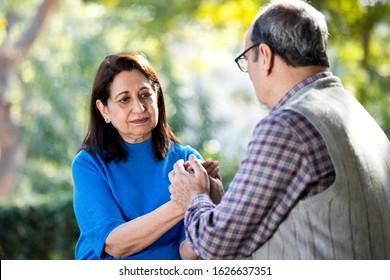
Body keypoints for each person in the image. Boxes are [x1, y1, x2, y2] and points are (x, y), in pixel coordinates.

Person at [169, 0, 390, 259]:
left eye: (246, 60)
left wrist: (194, 195)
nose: (249, 73)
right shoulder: (356, 114)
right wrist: (218, 204)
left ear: (264, 55)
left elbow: (214, 244)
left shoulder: (288, 125)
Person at [71, 52, 222, 260]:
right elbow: (116, 245)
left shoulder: (187, 159)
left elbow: (188, 255)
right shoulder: (88, 164)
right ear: (103, 109)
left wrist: (213, 202)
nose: (139, 108)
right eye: (124, 99)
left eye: (145, 94)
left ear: (157, 97)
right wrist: (185, 200)